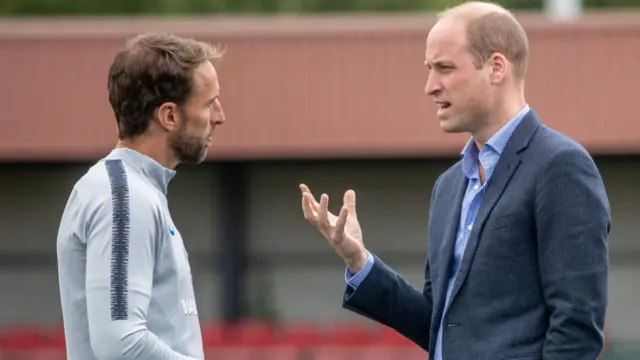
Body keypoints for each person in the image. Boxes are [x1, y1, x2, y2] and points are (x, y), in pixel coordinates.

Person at [300, 2, 611, 360]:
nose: (430, 86)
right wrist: (360, 263)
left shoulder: (561, 167)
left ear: (496, 68)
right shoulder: (449, 186)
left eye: (445, 68)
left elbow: (577, 329)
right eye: (429, 69)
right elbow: (438, 325)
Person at [56, 33, 225, 360]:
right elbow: (120, 344)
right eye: (208, 103)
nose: (220, 116)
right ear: (169, 116)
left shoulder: (133, 191)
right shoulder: (124, 197)